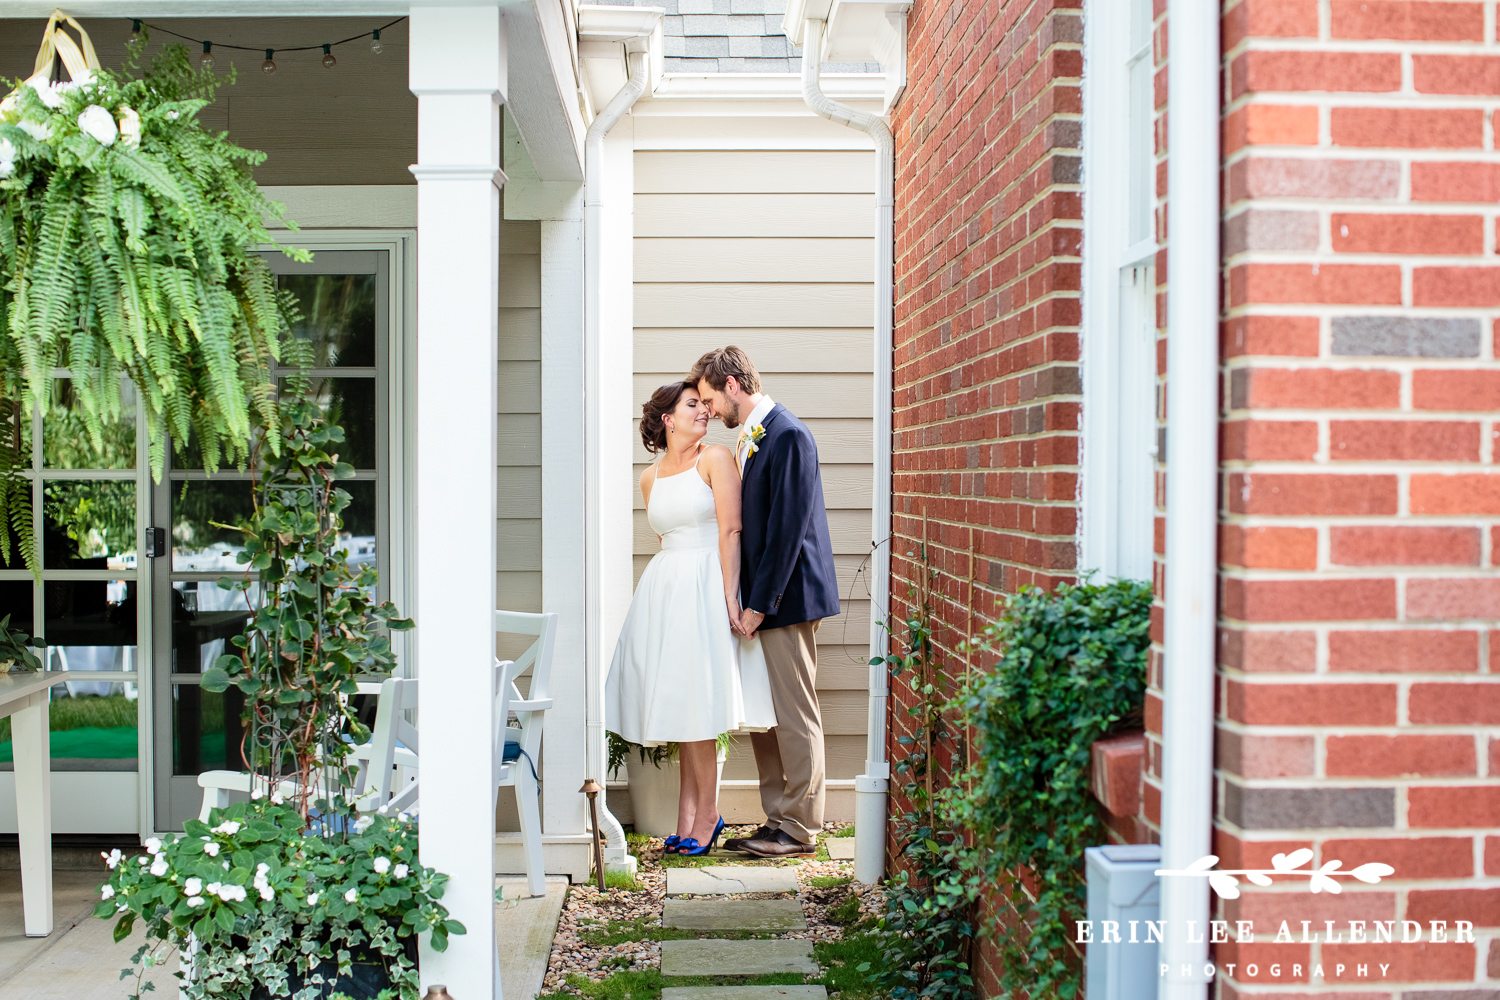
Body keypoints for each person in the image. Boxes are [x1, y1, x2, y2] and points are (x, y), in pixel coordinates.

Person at [604, 380, 777, 855]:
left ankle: (708, 814)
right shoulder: (650, 476)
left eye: (705, 404)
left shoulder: (715, 459)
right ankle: (687, 813)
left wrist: (728, 597)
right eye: (692, 405)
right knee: (682, 701)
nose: (704, 411)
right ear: (668, 419)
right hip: (666, 590)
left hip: (707, 584)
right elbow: (663, 537)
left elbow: (732, 529)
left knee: (700, 704)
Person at [691, 347, 841, 859]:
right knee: (767, 714)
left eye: (710, 398)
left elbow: (787, 533)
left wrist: (760, 603)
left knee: (795, 713)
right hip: (761, 602)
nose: (708, 409)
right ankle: (777, 818)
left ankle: (801, 827)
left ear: (733, 384)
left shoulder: (789, 435)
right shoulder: (751, 439)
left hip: (788, 598)